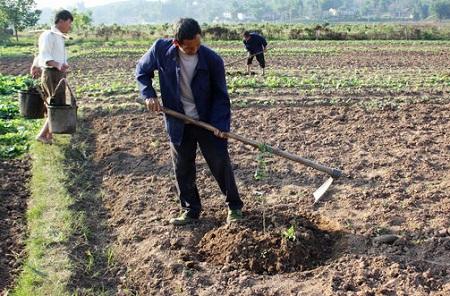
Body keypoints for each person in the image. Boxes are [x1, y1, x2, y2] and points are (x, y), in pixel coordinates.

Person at [136, 18, 244, 226]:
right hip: (178, 121)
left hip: (207, 122)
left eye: (198, 45)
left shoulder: (212, 60)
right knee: (183, 167)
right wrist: (148, 94)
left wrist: (221, 126)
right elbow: (142, 72)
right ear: (177, 43)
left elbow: (221, 96)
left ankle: (234, 207)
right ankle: (190, 210)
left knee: (220, 162)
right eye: (189, 48)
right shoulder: (160, 50)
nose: (194, 50)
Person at [30, 10, 73, 144]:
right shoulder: (49, 35)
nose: (70, 26)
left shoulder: (58, 36)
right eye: (69, 22)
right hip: (52, 73)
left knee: (53, 103)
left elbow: (41, 54)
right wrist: (58, 65)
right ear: (61, 20)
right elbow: (44, 54)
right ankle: (42, 135)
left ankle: (49, 134)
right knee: (56, 105)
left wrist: (35, 64)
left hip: (57, 73)